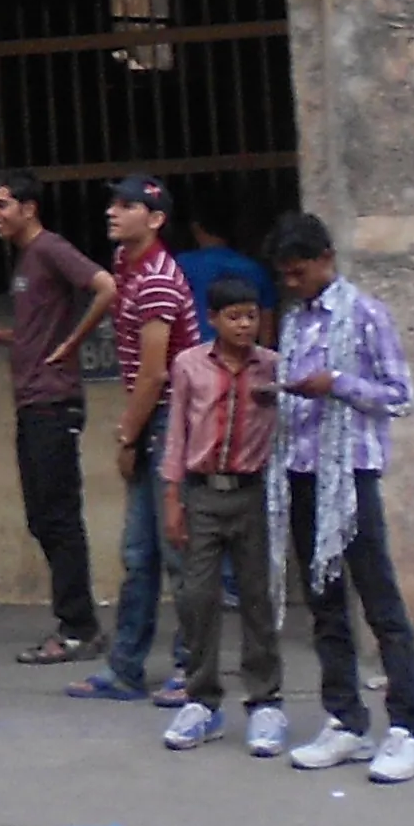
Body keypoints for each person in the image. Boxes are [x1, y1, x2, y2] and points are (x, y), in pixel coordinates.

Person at [269, 213, 414, 784]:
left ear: (325, 260)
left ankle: (408, 729)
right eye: (285, 275)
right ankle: (346, 721)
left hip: (351, 474)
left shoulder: (364, 315)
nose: (292, 283)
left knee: (379, 602)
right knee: (325, 603)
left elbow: (399, 394)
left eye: (299, 272)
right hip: (305, 472)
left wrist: (336, 383)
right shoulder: (293, 323)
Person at [0, 180, 115, 664]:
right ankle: (76, 622)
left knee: (57, 518)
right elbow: (36, 329)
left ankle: (79, 628)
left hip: (54, 402)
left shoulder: (50, 248)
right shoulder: (26, 261)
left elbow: (104, 287)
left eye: (2, 204)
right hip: (32, 403)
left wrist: (73, 345)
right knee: (43, 517)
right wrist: (3, 336)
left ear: (29, 208)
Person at [70, 174, 196, 705]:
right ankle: (126, 668)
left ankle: (194, 667)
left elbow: (155, 375)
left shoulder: (160, 279)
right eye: (113, 204)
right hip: (154, 421)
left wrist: (126, 435)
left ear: (157, 219)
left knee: (176, 553)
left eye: (128, 206)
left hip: (170, 422)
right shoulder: (128, 267)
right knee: (139, 552)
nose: (113, 213)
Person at [158, 270, 287, 752]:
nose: (243, 326)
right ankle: (202, 700)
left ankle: (265, 702)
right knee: (198, 599)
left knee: (257, 597)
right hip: (202, 493)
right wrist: (172, 499)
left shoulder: (272, 366)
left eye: (251, 316)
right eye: (233, 317)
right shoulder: (189, 365)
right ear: (212, 319)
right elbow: (176, 435)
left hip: (252, 494)